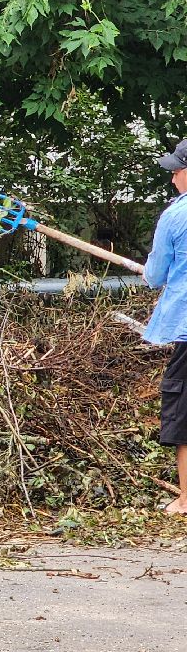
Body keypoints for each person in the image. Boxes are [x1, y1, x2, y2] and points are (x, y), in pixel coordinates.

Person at [142, 138, 187, 515]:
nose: (172, 178)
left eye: (177, 170)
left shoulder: (175, 216)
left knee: (183, 408)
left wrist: (151, 270)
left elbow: (155, 275)